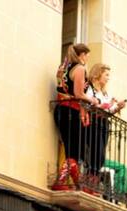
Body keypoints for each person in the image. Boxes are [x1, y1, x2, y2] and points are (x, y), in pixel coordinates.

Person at [53, 43, 98, 190]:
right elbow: (79, 94)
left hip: (61, 109)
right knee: (75, 151)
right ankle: (63, 183)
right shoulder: (79, 69)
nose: (87, 59)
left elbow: (60, 87)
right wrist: (93, 100)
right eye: (87, 56)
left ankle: (74, 183)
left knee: (71, 150)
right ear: (82, 55)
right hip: (71, 112)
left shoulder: (63, 68)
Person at [85, 63, 126, 180]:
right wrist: (105, 105)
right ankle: (91, 177)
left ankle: (93, 178)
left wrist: (118, 107)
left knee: (101, 154)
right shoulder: (90, 89)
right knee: (96, 150)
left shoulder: (105, 93)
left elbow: (109, 110)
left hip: (104, 124)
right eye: (106, 75)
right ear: (98, 74)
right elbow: (89, 104)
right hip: (94, 122)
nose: (108, 78)